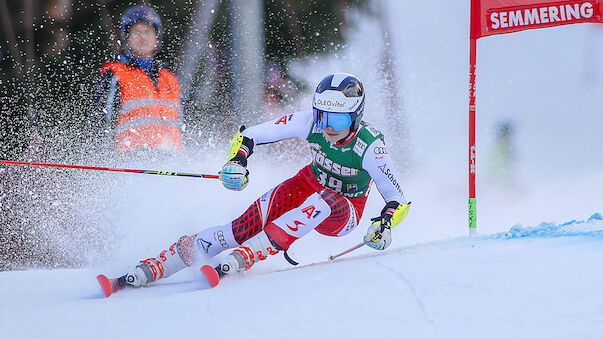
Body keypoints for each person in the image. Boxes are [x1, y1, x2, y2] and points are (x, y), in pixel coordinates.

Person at [103, 73, 410, 292]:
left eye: (338, 120)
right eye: (322, 116)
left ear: (355, 117)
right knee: (239, 228)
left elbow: (397, 200)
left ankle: (254, 253)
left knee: (323, 201)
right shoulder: (309, 123)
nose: (327, 127)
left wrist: (383, 226)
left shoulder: (371, 147)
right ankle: (156, 266)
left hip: (344, 212)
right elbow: (249, 135)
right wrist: (237, 161)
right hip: (307, 185)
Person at [91, 6, 183, 154]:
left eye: (148, 31)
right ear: (127, 37)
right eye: (137, 32)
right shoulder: (115, 74)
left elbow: (180, 125)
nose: (143, 37)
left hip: (171, 164)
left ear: (156, 36)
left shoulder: (169, 79)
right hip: (131, 162)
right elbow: (101, 122)